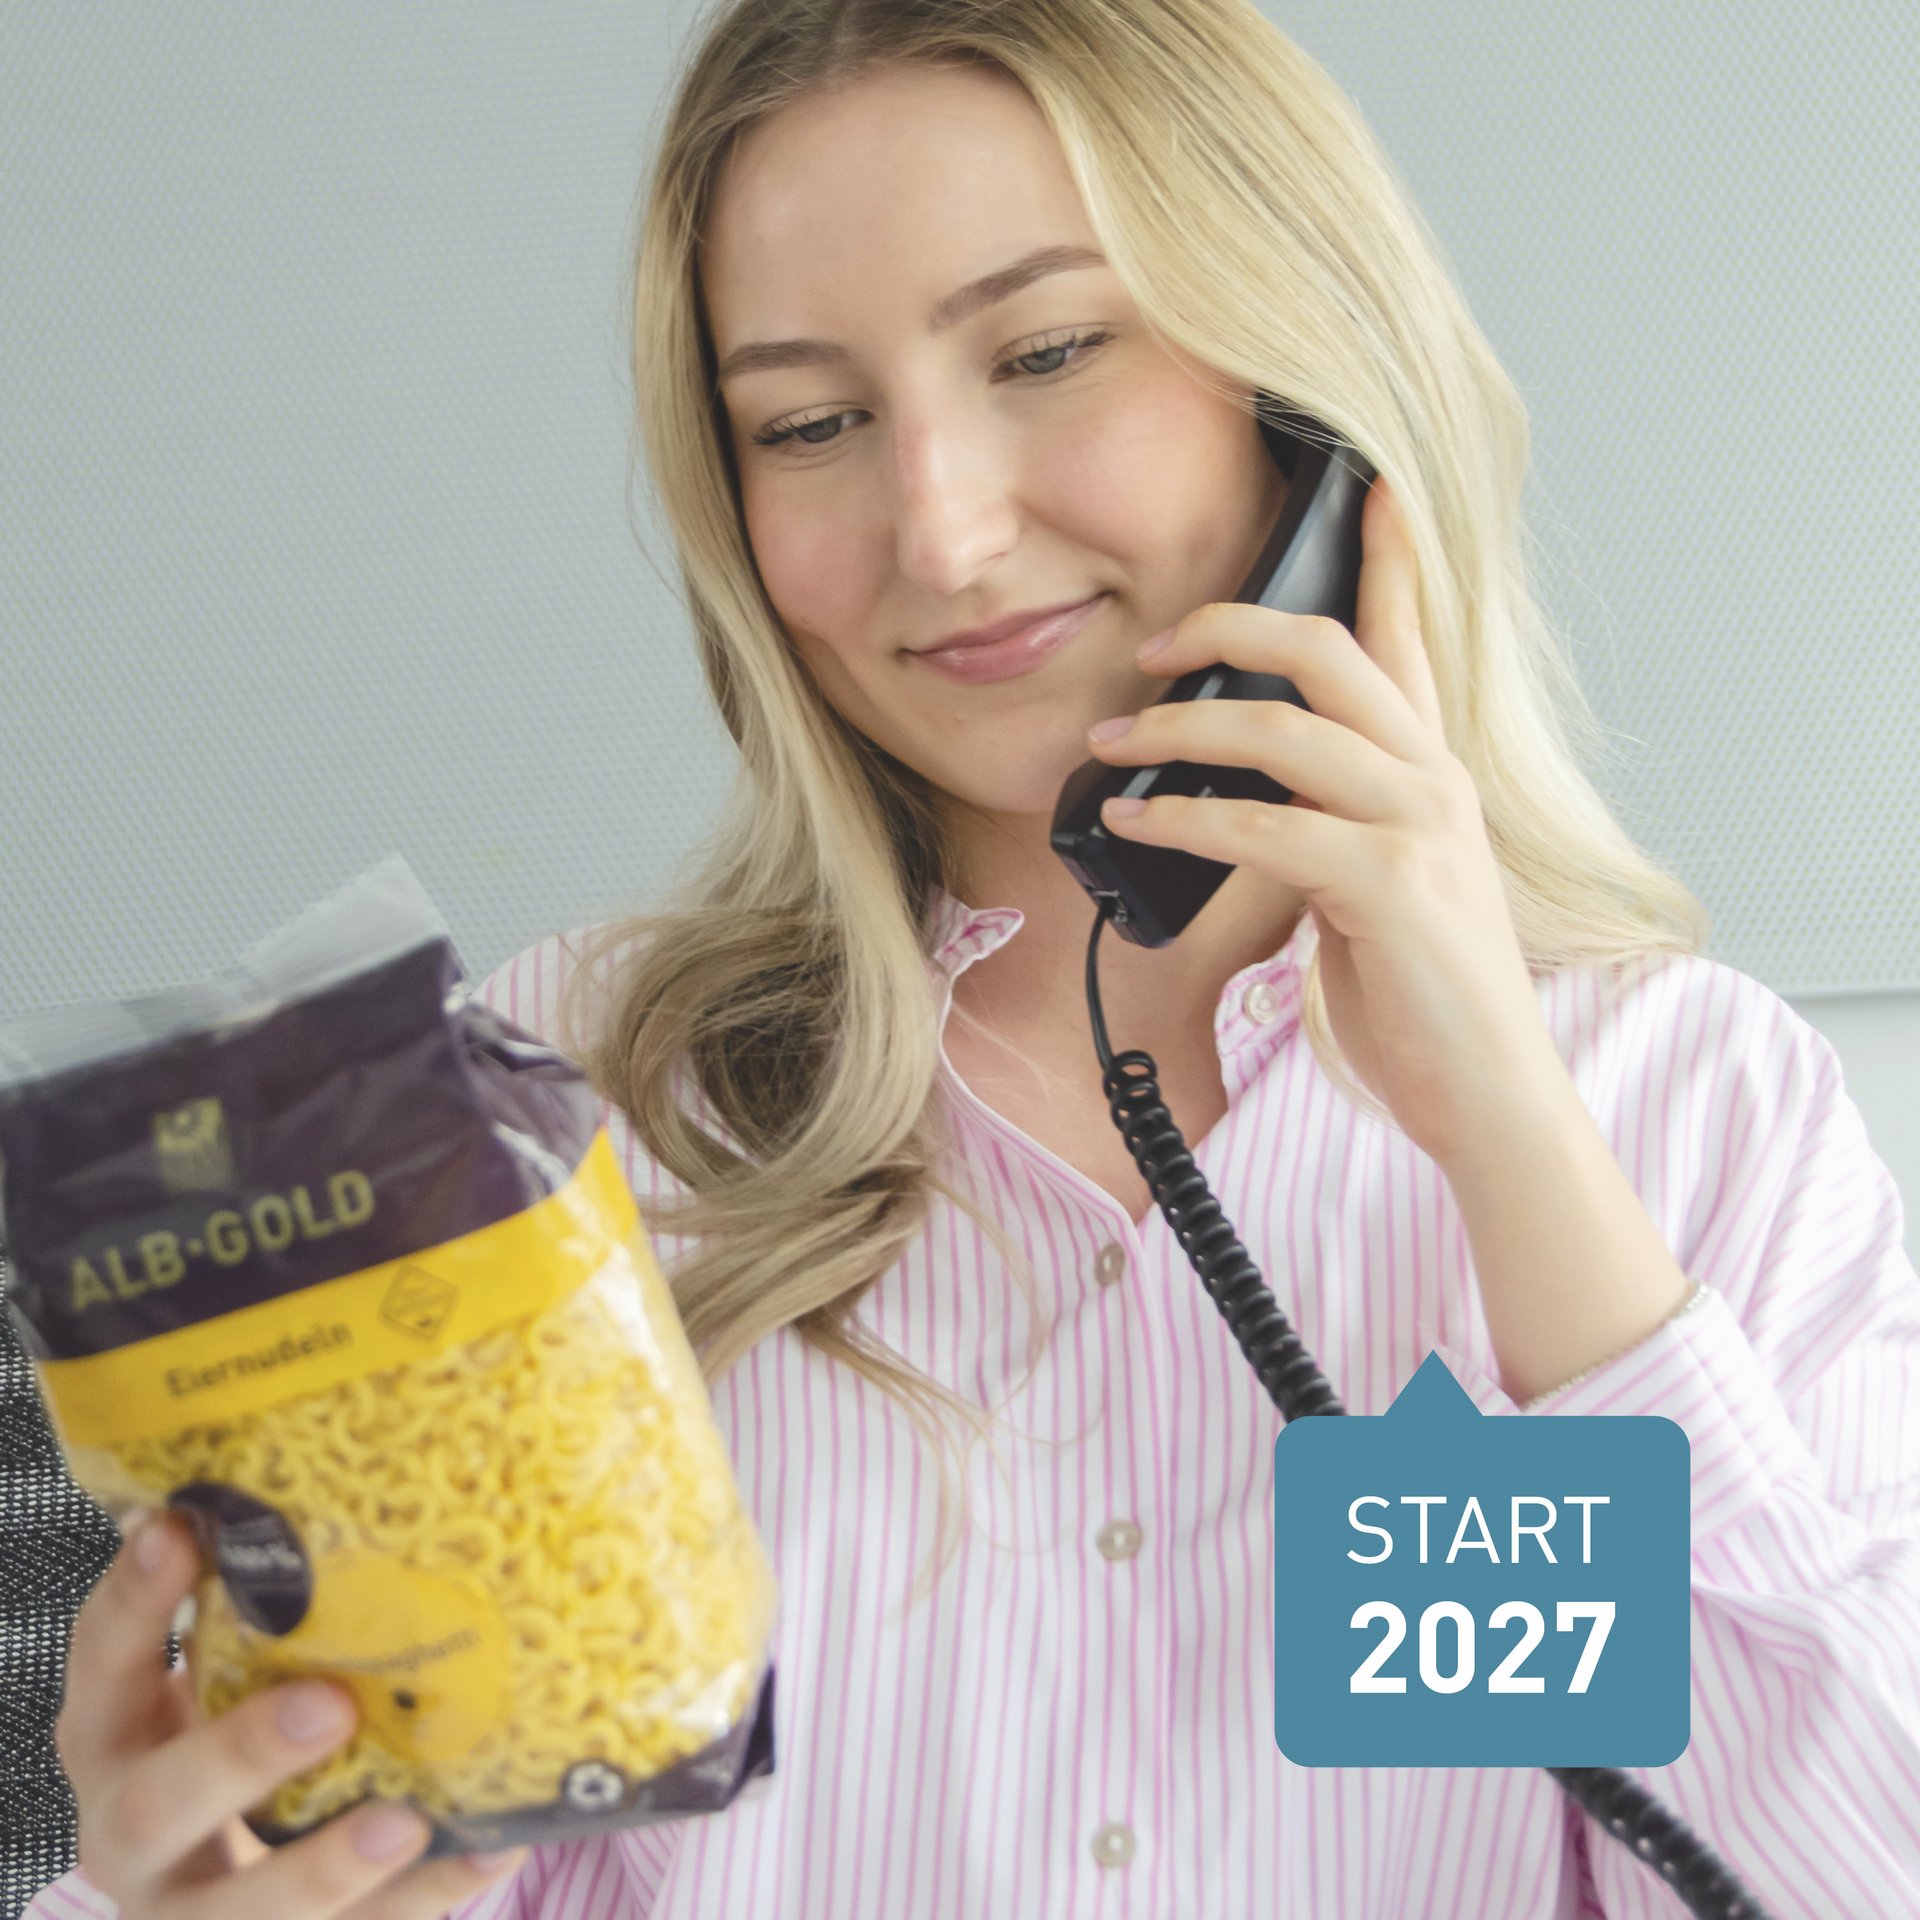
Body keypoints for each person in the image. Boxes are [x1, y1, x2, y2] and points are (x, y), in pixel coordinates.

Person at [28, 2, 1920, 1917]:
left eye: (1046, 349)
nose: (938, 527)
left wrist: (1509, 1135)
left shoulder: (1688, 1112)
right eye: (811, 423)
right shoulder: (560, 1106)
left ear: (1315, 393)